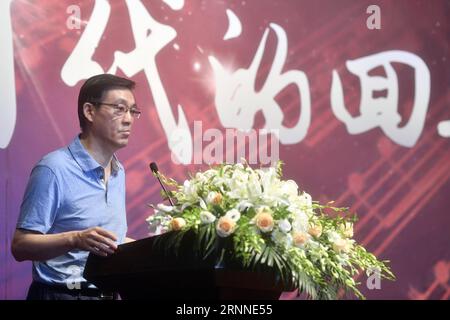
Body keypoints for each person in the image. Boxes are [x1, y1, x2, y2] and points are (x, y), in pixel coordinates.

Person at [11, 74, 140, 300]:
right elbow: (20, 246)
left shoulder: (119, 171)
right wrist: (76, 239)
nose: (128, 119)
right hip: (61, 295)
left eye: (132, 111)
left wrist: (157, 248)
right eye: (119, 109)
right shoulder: (54, 169)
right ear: (89, 111)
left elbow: (110, 239)